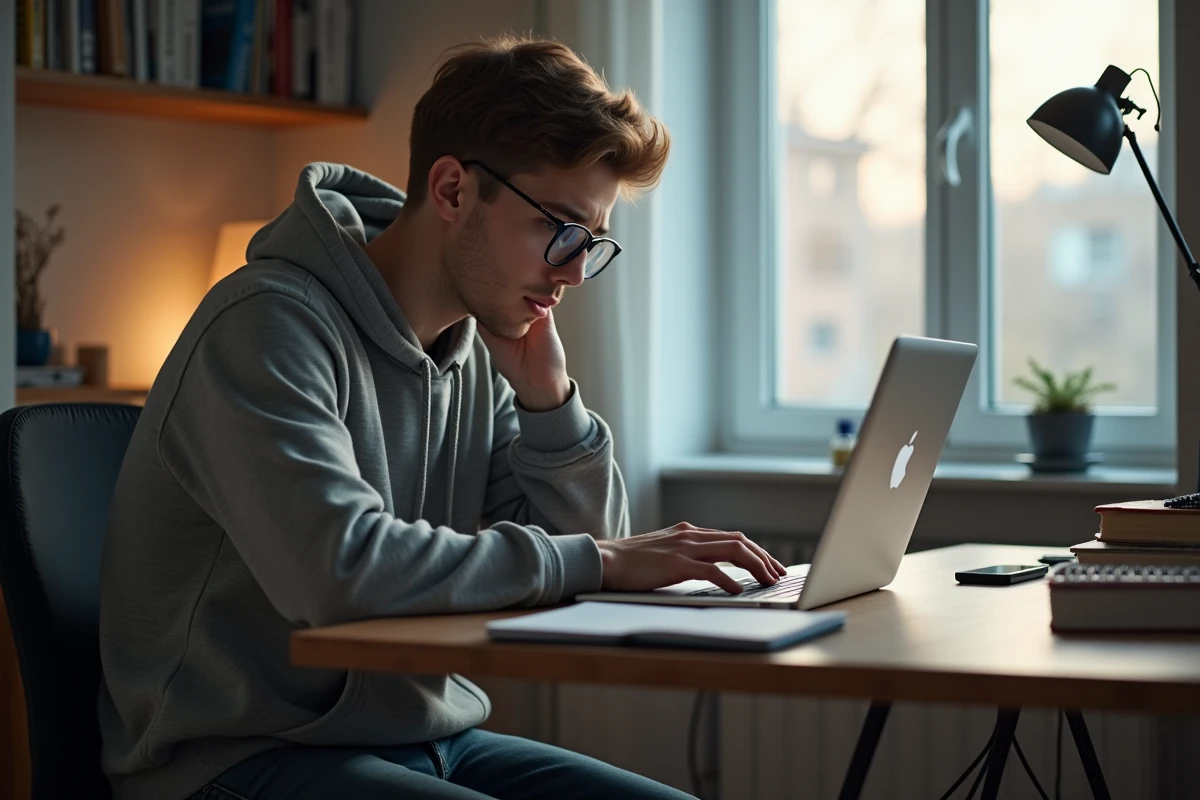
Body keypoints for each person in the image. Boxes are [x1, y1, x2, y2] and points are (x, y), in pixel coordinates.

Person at [97, 35, 787, 800]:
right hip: (236, 759)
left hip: (428, 740)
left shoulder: (472, 351)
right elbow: (338, 572)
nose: (572, 271)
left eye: (591, 245)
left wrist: (550, 403)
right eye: (559, 230)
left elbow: (593, 558)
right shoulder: (264, 326)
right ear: (455, 191)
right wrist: (594, 559)